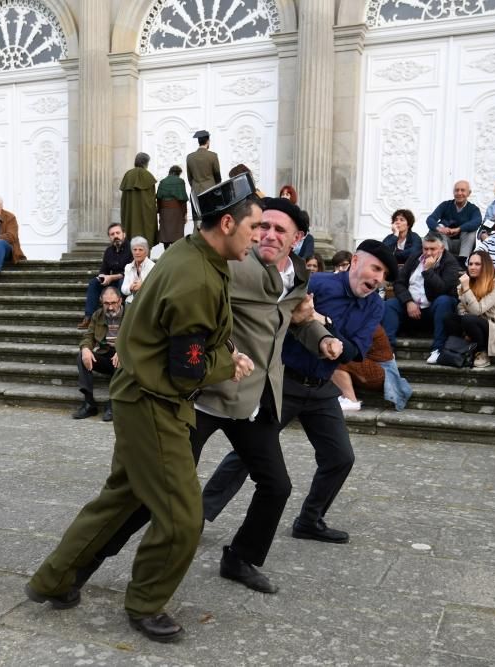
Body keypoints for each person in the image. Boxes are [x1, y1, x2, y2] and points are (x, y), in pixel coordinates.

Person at [25, 174, 260, 644]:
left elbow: (186, 337)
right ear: (228, 222)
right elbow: (187, 365)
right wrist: (227, 362)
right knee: (182, 517)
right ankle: (146, 602)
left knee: (123, 498)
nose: (257, 236)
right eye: (253, 226)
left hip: (141, 394)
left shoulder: (193, 254)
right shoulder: (195, 275)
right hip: (156, 403)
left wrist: (218, 350)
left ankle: (57, 578)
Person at [202, 239, 396, 546]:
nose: (377, 278)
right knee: (245, 454)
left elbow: (356, 351)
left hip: (321, 389)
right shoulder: (315, 283)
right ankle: (199, 515)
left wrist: (324, 323)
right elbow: (285, 322)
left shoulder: (375, 304)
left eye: (383, 274)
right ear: (355, 261)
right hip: (285, 383)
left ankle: (309, 520)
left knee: (340, 457)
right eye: (375, 268)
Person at [383, 232, 460, 362]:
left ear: (441, 248)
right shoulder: (415, 257)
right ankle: (387, 349)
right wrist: (408, 302)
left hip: (433, 309)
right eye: (426, 248)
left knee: (444, 301)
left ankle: (438, 349)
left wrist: (428, 271)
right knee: (390, 304)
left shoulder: (450, 262)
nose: (428, 253)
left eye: (433, 249)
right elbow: (399, 282)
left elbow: (443, 289)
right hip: (410, 308)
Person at [443, 251, 495, 369]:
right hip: (476, 322)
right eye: (470, 264)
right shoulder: (466, 283)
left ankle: (483, 353)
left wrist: (466, 289)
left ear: (486, 266)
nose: (472, 267)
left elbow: (478, 310)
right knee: (449, 318)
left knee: (469, 319)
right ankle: (462, 349)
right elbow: (461, 308)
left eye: (477, 264)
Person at [72, 285, 124, 422]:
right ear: (101, 301)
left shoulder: (130, 314)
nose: (110, 307)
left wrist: (123, 351)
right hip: (106, 355)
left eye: (113, 303)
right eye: (107, 303)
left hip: (122, 356)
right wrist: (85, 349)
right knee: (81, 356)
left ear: (120, 301)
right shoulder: (97, 315)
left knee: (125, 359)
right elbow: (88, 336)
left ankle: (113, 404)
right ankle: (89, 404)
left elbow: (137, 338)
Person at [77, 223, 131, 329]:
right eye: (112, 234)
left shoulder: (131, 249)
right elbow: (104, 270)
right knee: (94, 282)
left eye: (118, 233)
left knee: (122, 281)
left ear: (124, 234)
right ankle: (89, 318)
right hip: (112, 280)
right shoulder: (109, 251)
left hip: (127, 280)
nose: (115, 236)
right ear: (110, 237)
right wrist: (102, 278)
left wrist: (111, 277)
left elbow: (129, 272)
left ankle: (119, 318)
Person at [425, 180, 482, 260]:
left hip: (463, 244)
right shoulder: (445, 205)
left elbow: (477, 222)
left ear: (469, 193)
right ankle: (444, 259)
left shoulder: (473, 209)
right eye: (456, 190)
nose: (459, 193)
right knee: (435, 229)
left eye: (462, 190)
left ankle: (463, 260)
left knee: (471, 232)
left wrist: (459, 229)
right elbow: (430, 219)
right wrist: (440, 229)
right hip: (445, 241)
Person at [119, 153, 158, 248]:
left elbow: (123, 200)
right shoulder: (148, 176)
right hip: (144, 216)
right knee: (145, 237)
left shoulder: (128, 175)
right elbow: (151, 200)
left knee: (130, 237)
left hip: (130, 215)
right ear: (146, 163)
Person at [185, 129, 221, 220]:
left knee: (197, 220)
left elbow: (189, 177)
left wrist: (194, 185)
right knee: (210, 220)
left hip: (196, 191)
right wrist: (216, 187)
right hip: (210, 191)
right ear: (208, 141)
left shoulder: (190, 157)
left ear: (198, 142)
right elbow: (217, 175)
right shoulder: (213, 156)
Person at [156, 165, 189, 249]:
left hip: (164, 211)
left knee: (165, 235)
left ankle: (166, 254)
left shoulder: (163, 182)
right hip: (176, 211)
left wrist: (159, 212)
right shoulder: (180, 181)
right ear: (178, 173)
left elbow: (158, 199)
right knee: (176, 236)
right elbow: (183, 200)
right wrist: (184, 214)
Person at [120, 236, 154, 304]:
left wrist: (142, 286)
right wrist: (131, 288)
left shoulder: (152, 267)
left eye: (140, 250)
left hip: (146, 302)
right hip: (130, 302)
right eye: (134, 249)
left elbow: (155, 288)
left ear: (146, 252)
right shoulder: (128, 267)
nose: (137, 252)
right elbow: (123, 288)